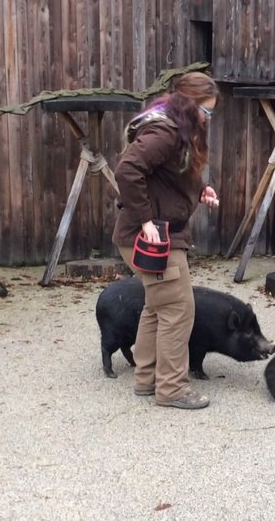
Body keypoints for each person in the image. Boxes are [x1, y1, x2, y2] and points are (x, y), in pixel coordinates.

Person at [112, 72, 220, 409]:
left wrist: (200, 189)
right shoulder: (165, 132)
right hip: (153, 238)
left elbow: (172, 173)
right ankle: (172, 389)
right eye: (207, 111)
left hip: (154, 235)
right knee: (177, 308)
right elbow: (127, 169)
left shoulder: (176, 130)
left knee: (158, 306)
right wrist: (146, 220)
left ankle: (147, 379)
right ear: (190, 105)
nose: (209, 118)